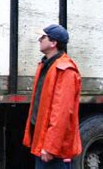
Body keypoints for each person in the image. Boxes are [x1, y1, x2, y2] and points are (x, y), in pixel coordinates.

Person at [23, 24, 82, 168]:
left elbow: (61, 113)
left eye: (43, 37)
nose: (39, 39)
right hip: (43, 141)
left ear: (53, 43)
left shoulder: (65, 70)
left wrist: (50, 147)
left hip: (54, 151)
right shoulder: (47, 65)